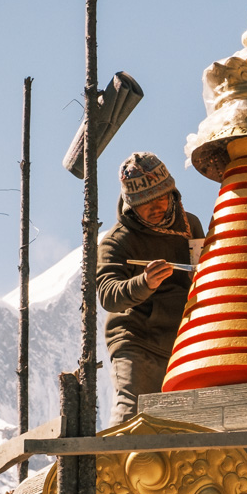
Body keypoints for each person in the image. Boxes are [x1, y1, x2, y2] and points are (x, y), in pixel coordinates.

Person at [94, 152, 205, 421]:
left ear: (172, 193)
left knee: (187, 424)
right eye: (145, 203)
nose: (156, 207)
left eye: (161, 197)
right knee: (131, 420)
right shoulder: (117, 241)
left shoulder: (191, 226)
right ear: (132, 204)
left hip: (183, 341)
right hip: (137, 342)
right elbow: (108, 295)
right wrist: (145, 283)